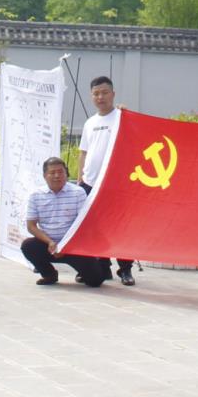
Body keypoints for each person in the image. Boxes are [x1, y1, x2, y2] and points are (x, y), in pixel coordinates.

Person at [75, 75, 135, 285]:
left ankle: (125, 269)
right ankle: (103, 267)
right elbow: (83, 152)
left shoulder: (122, 117)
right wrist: (80, 178)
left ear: (113, 94)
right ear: (91, 96)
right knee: (95, 228)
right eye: (96, 94)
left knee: (121, 227)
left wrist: (126, 114)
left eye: (104, 92)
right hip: (90, 183)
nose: (100, 97)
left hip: (117, 183)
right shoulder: (90, 123)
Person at [20, 156, 109, 287]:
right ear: (45, 176)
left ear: (66, 174)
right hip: (49, 245)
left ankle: (92, 269)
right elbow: (31, 226)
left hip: (73, 245)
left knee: (95, 281)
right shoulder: (36, 195)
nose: (57, 176)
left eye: (60, 172)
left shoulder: (78, 192)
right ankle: (49, 274)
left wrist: (66, 245)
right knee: (28, 246)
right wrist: (50, 242)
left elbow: (84, 224)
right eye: (52, 172)